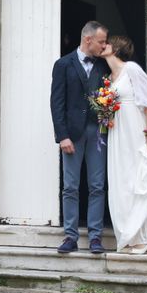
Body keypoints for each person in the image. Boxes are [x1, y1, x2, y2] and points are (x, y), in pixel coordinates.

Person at [100, 36, 147, 254]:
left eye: (107, 43)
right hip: (117, 132)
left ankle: (139, 235)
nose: (103, 45)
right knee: (121, 180)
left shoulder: (132, 69)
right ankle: (126, 235)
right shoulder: (109, 77)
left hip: (135, 130)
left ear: (116, 48)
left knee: (139, 177)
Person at [50, 21, 110, 254]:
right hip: (72, 135)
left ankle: (95, 237)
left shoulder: (104, 65)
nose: (104, 45)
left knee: (97, 185)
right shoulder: (63, 64)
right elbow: (57, 103)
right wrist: (62, 136)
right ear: (88, 40)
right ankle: (70, 236)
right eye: (101, 41)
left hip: (97, 133)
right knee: (70, 187)